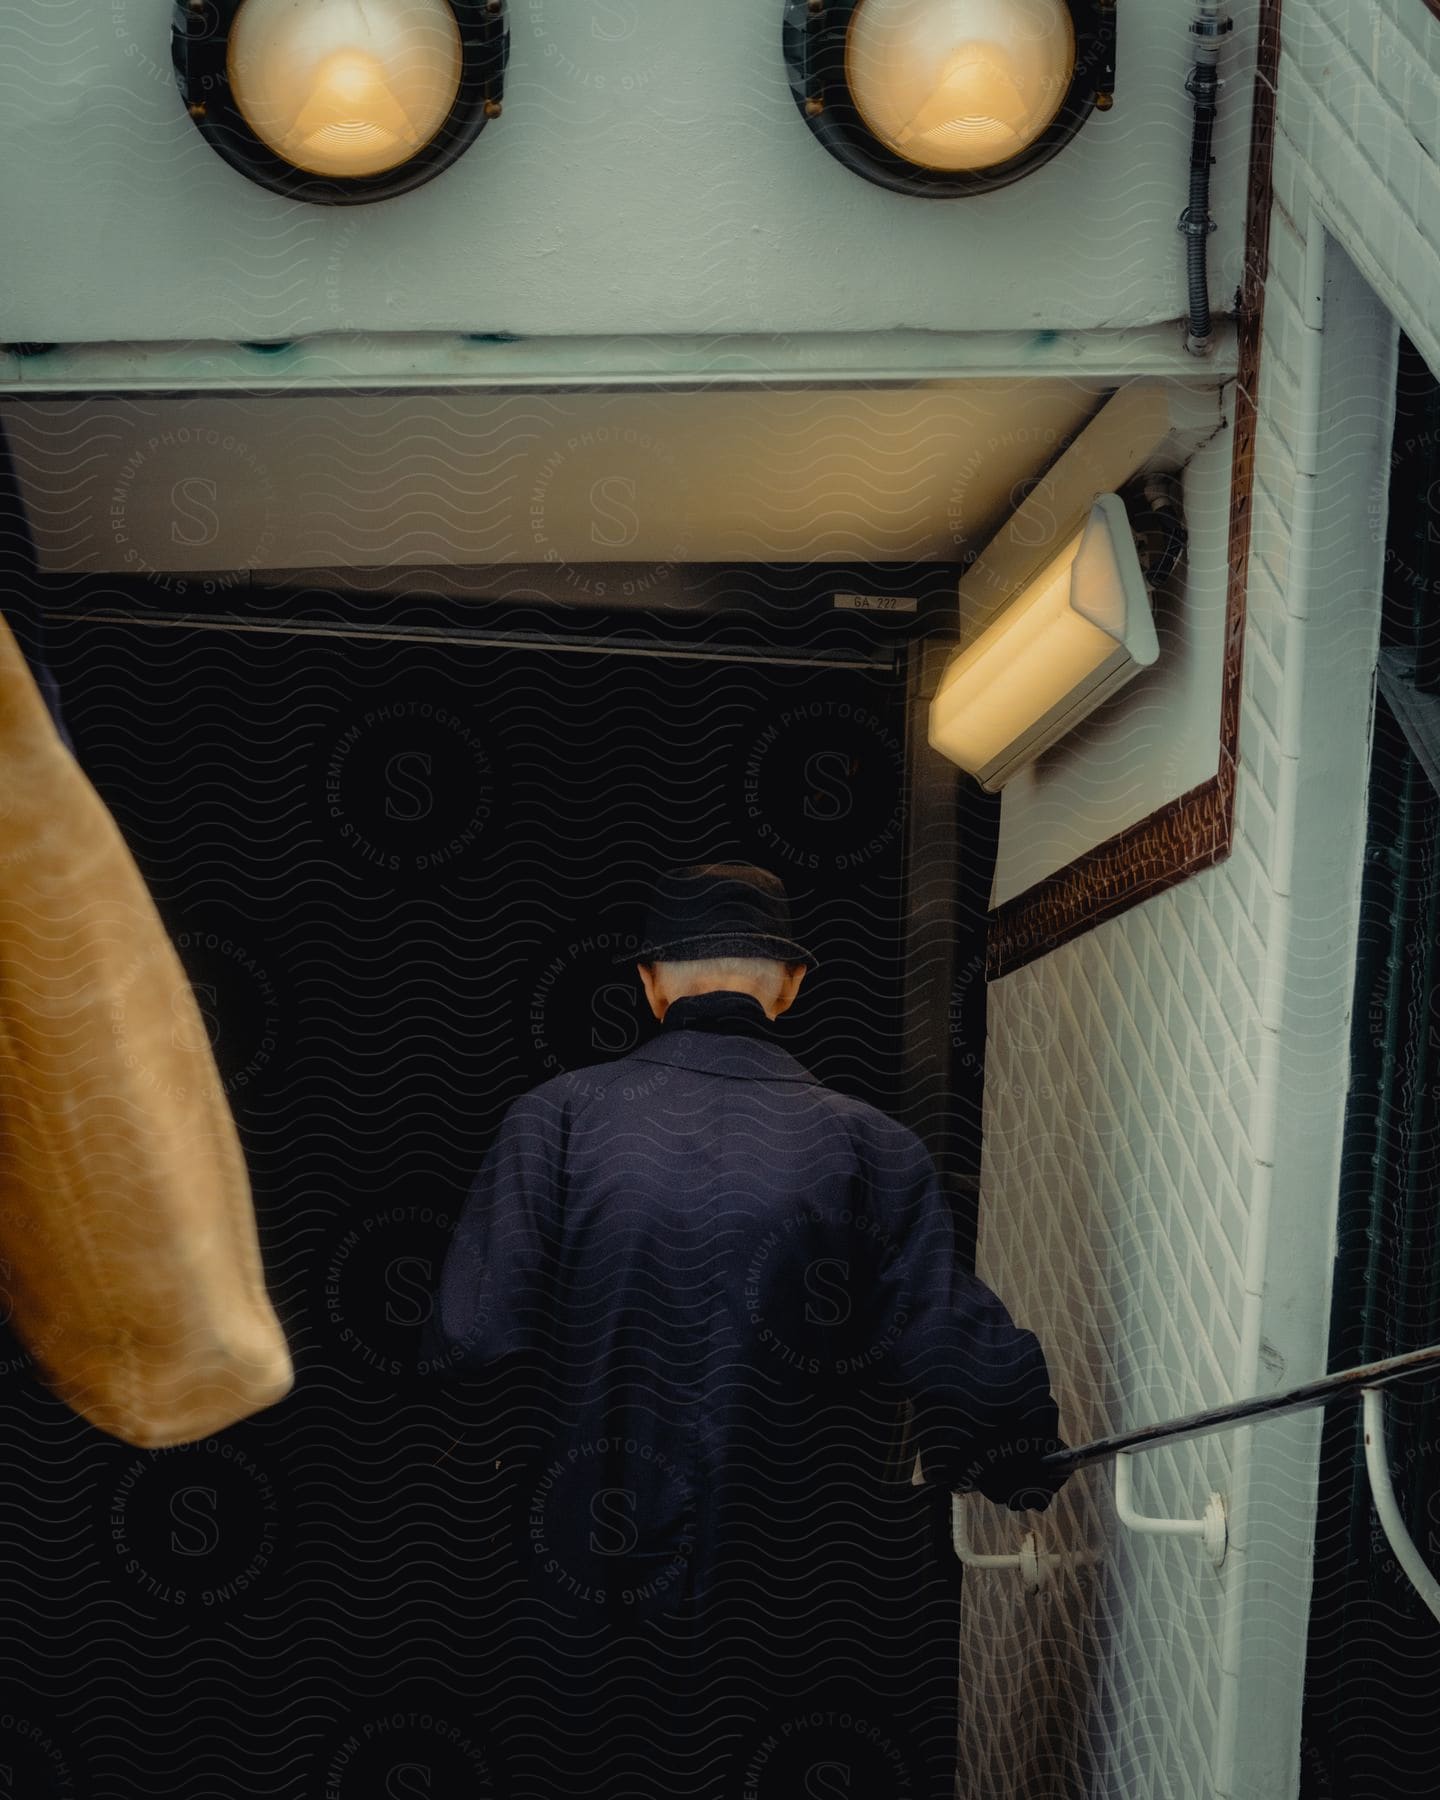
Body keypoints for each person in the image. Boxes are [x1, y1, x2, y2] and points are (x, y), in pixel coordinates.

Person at [419, 862, 1069, 1799]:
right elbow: (947, 1345)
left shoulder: (552, 1122)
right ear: (791, 988)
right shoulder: (870, 1147)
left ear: (648, 985)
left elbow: (475, 1339)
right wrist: (1018, 1456)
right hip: (784, 1571)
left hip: (582, 1546)